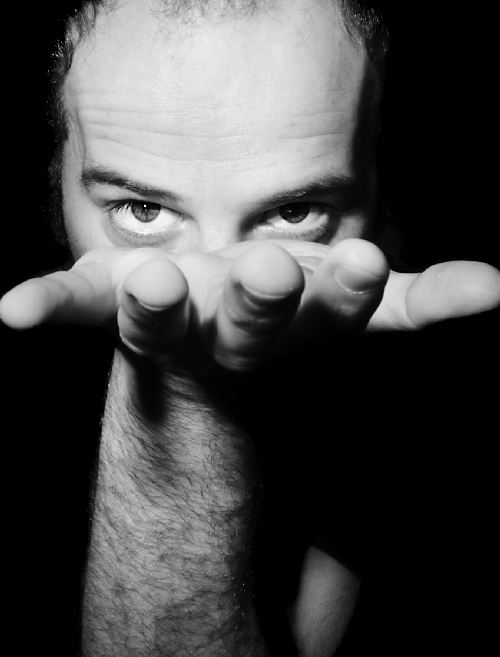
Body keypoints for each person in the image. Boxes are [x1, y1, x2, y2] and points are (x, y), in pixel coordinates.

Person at [1, 0, 498, 655]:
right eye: (144, 210)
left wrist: (187, 388)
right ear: (53, 185)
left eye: (293, 212)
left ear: (381, 199)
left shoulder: (422, 435)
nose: (216, 273)